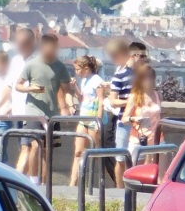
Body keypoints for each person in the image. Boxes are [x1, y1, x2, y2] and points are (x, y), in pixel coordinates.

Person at [15, 33, 72, 185]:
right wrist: (30, 88)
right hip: (34, 112)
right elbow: (18, 85)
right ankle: (33, 181)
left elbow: (66, 90)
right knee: (34, 145)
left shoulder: (60, 66)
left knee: (46, 151)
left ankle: (44, 184)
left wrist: (69, 106)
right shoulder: (32, 64)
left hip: (51, 114)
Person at [108, 40, 145, 187]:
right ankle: (120, 190)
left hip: (139, 122)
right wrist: (130, 101)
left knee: (139, 159)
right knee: (120, 158)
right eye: (142, 56)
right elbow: (113, 101)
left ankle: (134, 189)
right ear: (134, 55)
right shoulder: (120, 75)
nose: (145, 60)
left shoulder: (142, 76)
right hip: (125, 122)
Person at [67, 55, 107, 187]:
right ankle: (73, 183)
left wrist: (98, 121)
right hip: (83, 118)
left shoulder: (97, 81)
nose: (76, 72)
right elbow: (82, 98)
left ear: (86, 68)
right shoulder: (83, 81)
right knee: (78, 151)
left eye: (78, 69)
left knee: (96, 153)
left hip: (93, 119)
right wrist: (75, 89)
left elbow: (101, 101)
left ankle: (99, 182)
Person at [5, 28, 35, 175]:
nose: (19, 47)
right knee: (23, 148)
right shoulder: (16, 60)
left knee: (26, 147)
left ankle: (17, 182)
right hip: (17, 112)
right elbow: (9, 86)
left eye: (22, 43)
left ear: (31, 43)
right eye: (18, 43)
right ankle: (28, 182)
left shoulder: (38, 60)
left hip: (30, 112)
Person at [122, 63, 161, 163]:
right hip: (139, 139)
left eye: (150, 77)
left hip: (156, 139)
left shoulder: (158, 95)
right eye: (145, 77)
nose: (148, 80)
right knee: (135, 171)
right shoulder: (134, 96)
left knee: (158, 172)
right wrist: (134, 119)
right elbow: (124, 119)